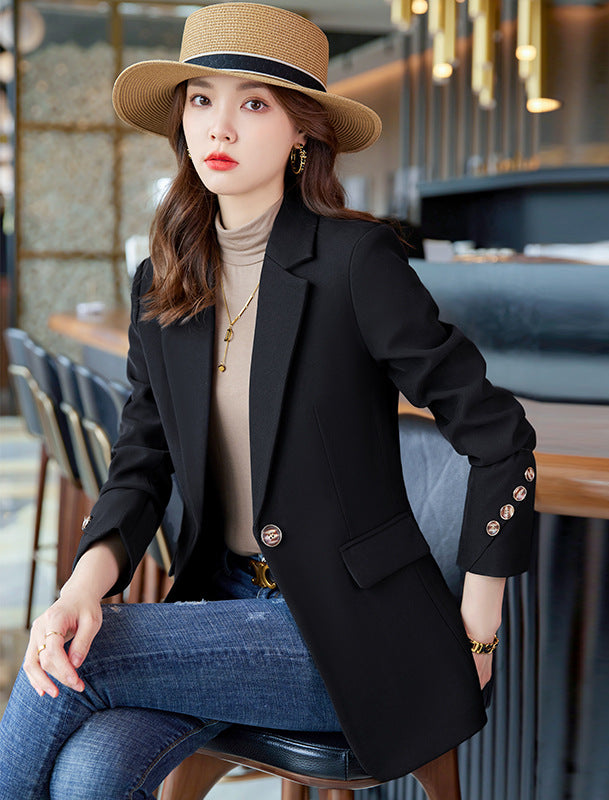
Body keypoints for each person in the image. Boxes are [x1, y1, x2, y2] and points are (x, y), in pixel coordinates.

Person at [0, 4, 537, 797]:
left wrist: (480, 630)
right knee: (88, 771)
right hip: (220, 606)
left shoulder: (357, 262)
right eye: (200, 99)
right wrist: (82, 587)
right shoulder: (163, 281)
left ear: (301, 134)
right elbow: (139, 466)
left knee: (84, 656)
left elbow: (501, 437)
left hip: (352, 635)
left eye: (253, 103)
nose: (219, 126)